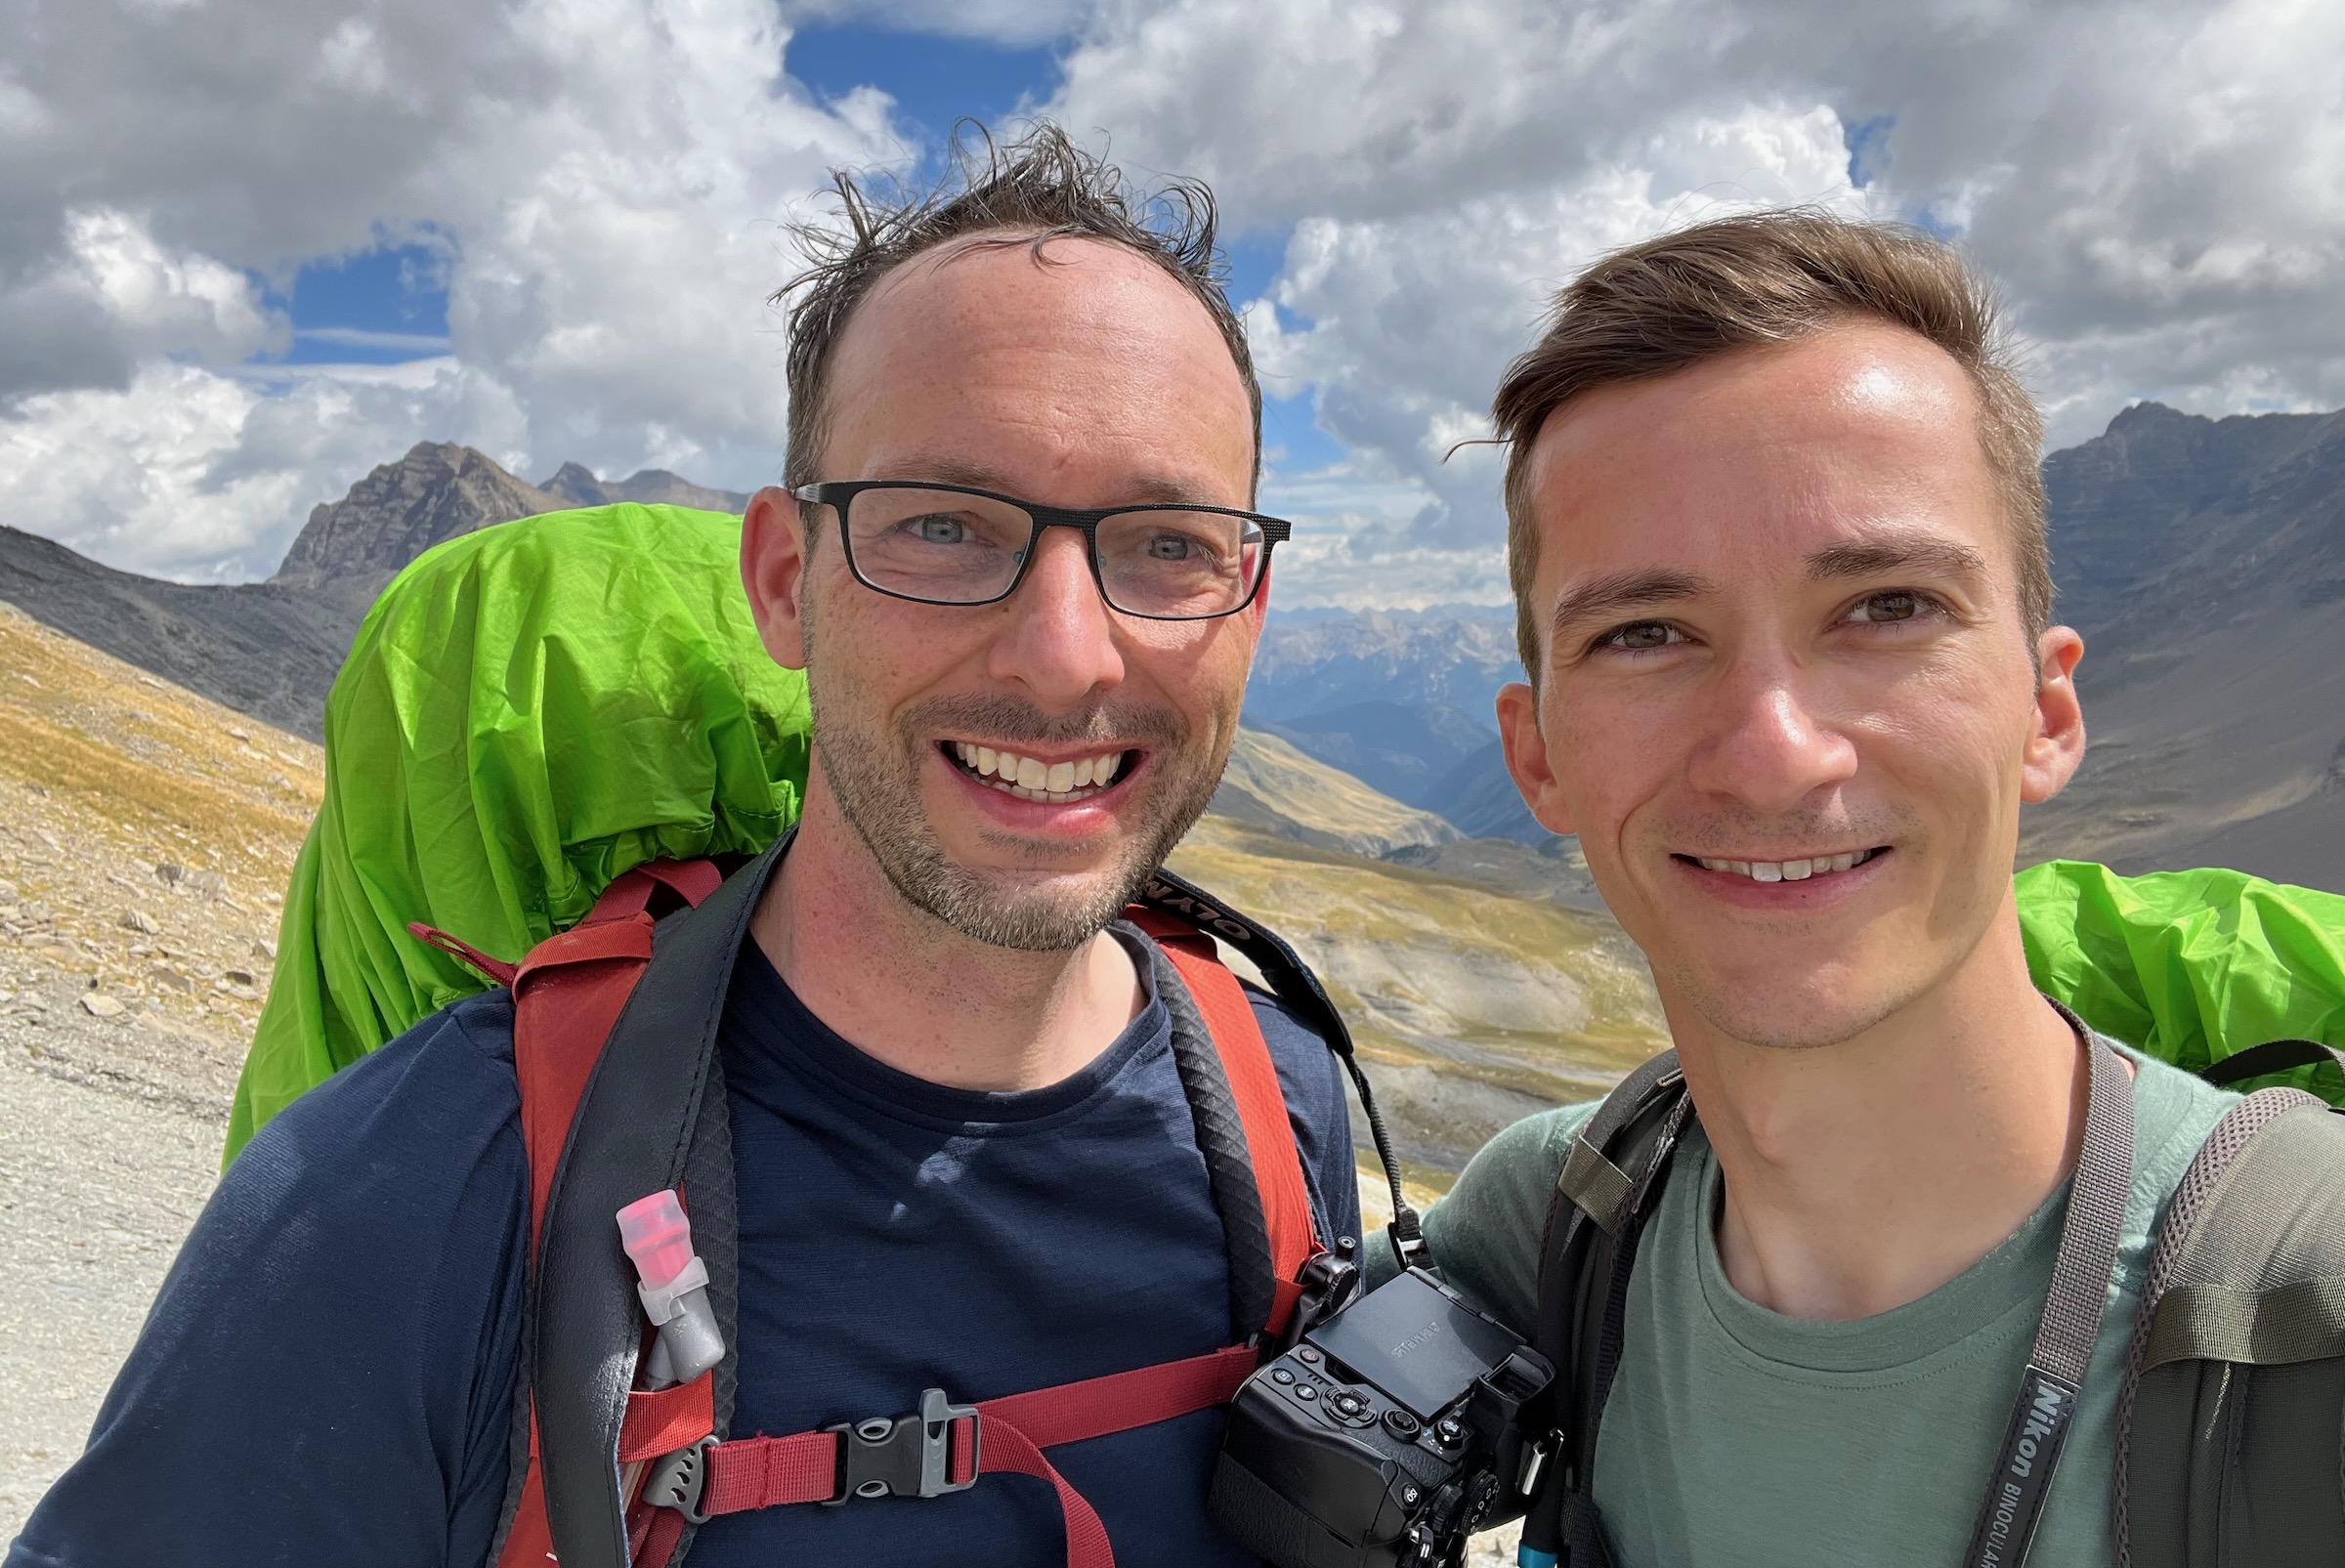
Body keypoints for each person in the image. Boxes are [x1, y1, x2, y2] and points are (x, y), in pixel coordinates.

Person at [6, 125, 1359, 1568]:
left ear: (1252, 603)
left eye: (1169, 543)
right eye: (945, 526)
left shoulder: (1285, 1118)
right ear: (784, 581)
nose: (1066, 652)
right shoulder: (396, 1205)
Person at [1381, 210, 2324, 1566]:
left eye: (1888, 607)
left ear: (2048, 709)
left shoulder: (2308, 1305)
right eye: (1645, 634)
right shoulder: (1545, 1229)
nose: (1774, 753)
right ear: (1539, 758)